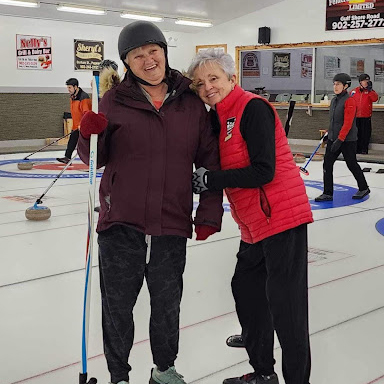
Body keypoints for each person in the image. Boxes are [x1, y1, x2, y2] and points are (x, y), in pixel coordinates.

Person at [77, 21, 223, 384]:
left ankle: (164, 369)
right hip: (120, 224)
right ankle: (119, 375)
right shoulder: (114, 100)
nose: (148, 59)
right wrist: (87, 133)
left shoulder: (190, 101)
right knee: (117, 309)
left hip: (171, 223)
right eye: (137, 55)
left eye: (152, 51)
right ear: (127, 63)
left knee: (167, 306)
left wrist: (208, 210)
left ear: (164, 51)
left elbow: (209, 161)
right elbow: (93, 158)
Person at [189, 49, 313, 384]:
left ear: (232, 78)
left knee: (287, 309)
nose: (207, 87)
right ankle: (263, 372)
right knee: (246, 289)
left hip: (281, 218)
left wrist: (211, 180)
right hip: (254, 224)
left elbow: (263, 171)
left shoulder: (252, 108)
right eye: (200, 84)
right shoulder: (219, 117)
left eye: (214, 78)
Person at [315, 73, 370, 202]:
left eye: (338, 84)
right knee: (327, 164)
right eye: (334, 84)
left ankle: (364, 187)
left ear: (345, 85)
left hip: (347, 140)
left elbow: (348, 123)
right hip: (334, 138)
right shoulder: (334, 100)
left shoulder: (349, 100)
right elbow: (334, 121)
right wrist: (329, 134)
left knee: (351, 164)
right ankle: (327, 193)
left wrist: (340, 139)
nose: (335, 86)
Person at [57, 78, 91, 164]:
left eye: (70, 88)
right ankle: (67, 157)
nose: (68, 90)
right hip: (76, 125)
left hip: (83, 126)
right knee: (72, 141)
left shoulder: (83, 97)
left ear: (75, 87)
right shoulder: (73, 97)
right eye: (67, 88)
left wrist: (82, 125)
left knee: (87, 145)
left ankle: (92, 162)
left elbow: (87, 112)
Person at [350, 73, 378, 154]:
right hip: (356, 116)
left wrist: (370, 90)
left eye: (367, 80)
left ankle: (364, 149)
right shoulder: (354, 91)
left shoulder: (370, 92)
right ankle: (356, 148)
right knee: (356, 133)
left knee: (365, 134)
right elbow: (349, 100)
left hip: (366, 116)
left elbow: (375, 99)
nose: (366, 82)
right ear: (360, 82)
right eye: (364, 80)